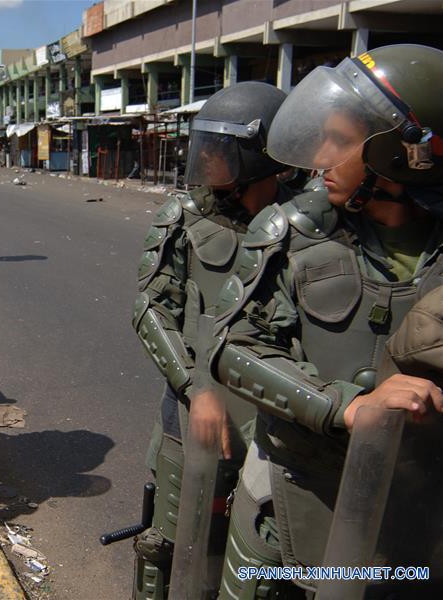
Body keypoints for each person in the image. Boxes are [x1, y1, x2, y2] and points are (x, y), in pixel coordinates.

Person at [207, 44, 443, 597]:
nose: (319, 157)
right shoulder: (292, 233)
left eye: (339, 141)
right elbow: (231, 345)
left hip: (417, 514)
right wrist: (345, 406)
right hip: (294, 493)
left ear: (400, 156)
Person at [131, 81, 292, 599]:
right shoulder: (186, 215)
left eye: (225, 151)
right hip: (191, 413)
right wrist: (193, 387)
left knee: (261, 571)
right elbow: (151, 308)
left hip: (277, 427)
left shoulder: (306, 226)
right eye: (208, 147)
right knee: (169, 548)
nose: (209, 162)